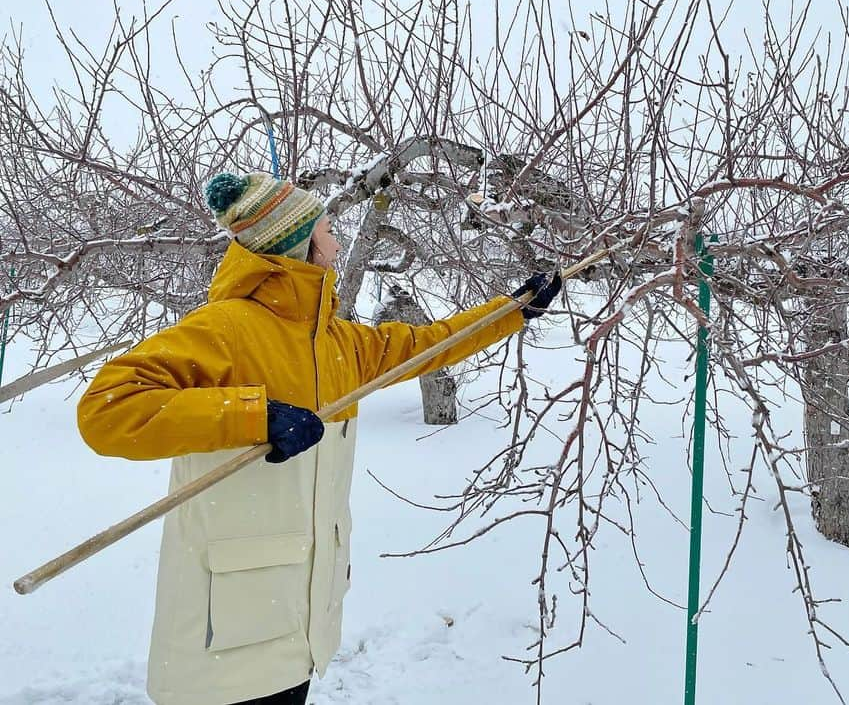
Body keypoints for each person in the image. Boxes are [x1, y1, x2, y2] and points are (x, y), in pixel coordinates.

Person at [77, 172, 562, 705]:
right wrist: (253, 416)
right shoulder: (225, 328)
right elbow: (107, 409)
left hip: (297, 619)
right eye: (329, 230)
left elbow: (426, 345)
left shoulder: (337, 342)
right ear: (296, 240)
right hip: (226, 630)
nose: (337, 243)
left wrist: (512, 310)